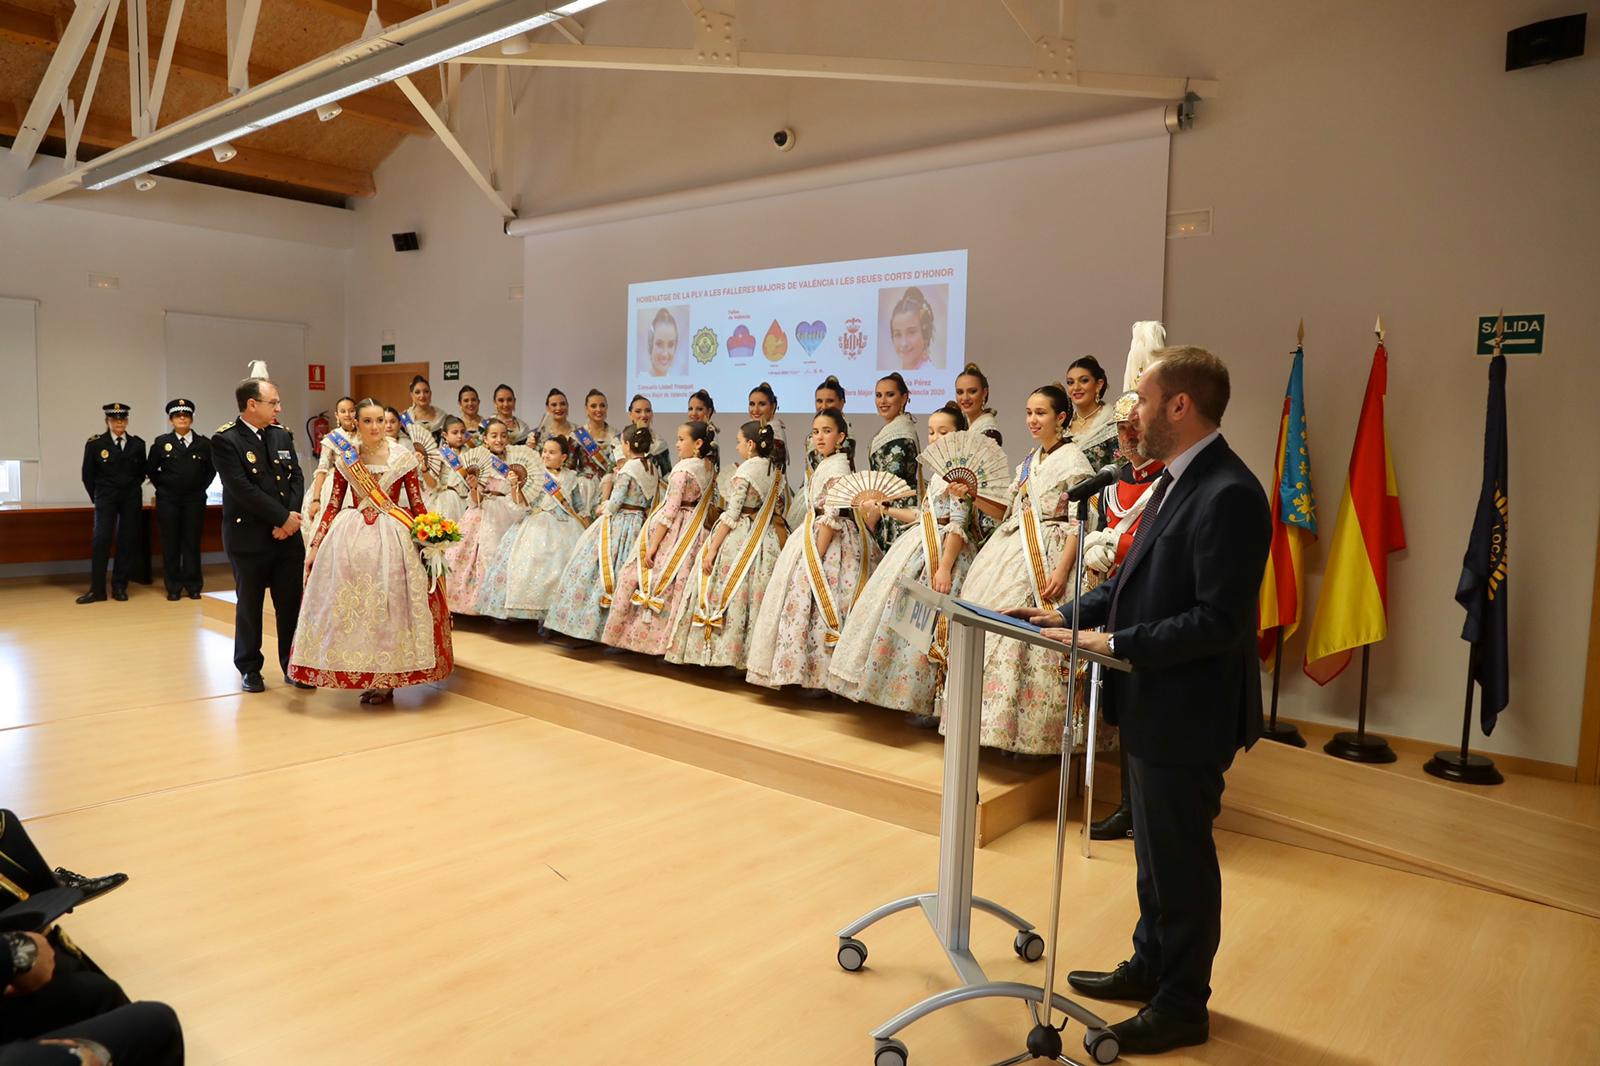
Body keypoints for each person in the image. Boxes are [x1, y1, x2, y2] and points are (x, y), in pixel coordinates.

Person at [1015, 347, 1269, 1056]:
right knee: (1155, 854)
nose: (1135, 414)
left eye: (1145, 401)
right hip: (1155, 699)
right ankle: (1151, 965)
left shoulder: (1230, 493)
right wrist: (1068, 615)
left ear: (1180, 406)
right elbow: (1134, 580)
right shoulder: (1175, 480)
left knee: (1181, 860)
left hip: (1191, 711)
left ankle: (1184, 1004)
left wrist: (1114, 639)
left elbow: (1217, 622)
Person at [953, 385, 1093, 756]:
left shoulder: (1075, 462)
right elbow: (1008, 512)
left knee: (1029, 641)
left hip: (1050, 556)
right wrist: (972, 496)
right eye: (1029, 412)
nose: (1032, 420)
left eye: (1041, 413)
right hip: (1011, 549)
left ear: (1061, 418)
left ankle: (1033, 733)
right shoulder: (1030, 461)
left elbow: (1082, 521)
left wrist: (1063, 571)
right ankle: (994, 728)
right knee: (997, 631)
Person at [287, 399, 454, 703]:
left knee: (389, 609)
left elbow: (417, 503)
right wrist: (316, 545)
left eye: (380, 420)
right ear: (357, 423)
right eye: (368, 421)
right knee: (358, 611)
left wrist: (431, 539)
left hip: (393, 539)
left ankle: (387, 680)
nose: (375, 427)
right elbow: (333, 505)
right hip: (349, 540)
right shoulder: (346, 458)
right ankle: (363, 669)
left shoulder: (402, 458)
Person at [829, 402, 973, 725]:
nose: (935, 438)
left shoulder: (957, 480)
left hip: (943, 556)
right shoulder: (939, 477)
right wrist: (888, 509)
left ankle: (931, 700)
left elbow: (957, 525)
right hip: (920, 546)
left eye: (944, 432)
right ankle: (908, 696)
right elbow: (923, 516)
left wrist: (944, 567)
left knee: (930, 626)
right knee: (907, 622)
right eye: (932, 432)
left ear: (959, 435)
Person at [1081, 390, 1166, 842]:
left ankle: (1148, 811)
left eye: (1135, 426)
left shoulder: (1168, 484)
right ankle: (1129, 807)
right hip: (1111, 603)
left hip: (1152, 610)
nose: (1129, 436)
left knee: (1149, 710)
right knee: (1125, 711)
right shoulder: (1112, 484)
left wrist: (1118, 548)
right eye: (1121, 428)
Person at [747, 409, 878, 694]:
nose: (819, 437)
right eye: (816, 431)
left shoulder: (838, 468)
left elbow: (831, 514)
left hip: (829, 540)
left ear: (841, 436)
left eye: (827, 431)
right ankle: (809, 672)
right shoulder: (827, 464)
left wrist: (816, 556)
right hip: (815, 530)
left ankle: (822, 676)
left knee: (822, 601)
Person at [212, 378, 307, 693]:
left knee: (290, 605)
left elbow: (296, 477)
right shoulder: (226, 440)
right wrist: (281, 517)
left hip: (287, 538)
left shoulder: (281, 435)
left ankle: (293, 665)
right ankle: (250, 668)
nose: (279, 408)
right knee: (250, 606)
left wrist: (290, 520)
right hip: (249, 537)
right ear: (252, 404)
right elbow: (241, 488)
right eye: (273, 402)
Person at [665, 421, 785, 671]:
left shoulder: (745, 472)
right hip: (767, 536)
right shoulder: (774, 470)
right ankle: (751, 657)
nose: (738, 447)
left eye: (740, 442)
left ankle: (723, 654)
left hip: (741, 538)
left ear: (751, 445)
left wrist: (712, 548)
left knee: (732, 590)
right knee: (755, 595)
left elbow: (731, 514)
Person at [600, 422, 715, 655]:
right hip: (698, 529)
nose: (677, 443)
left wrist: (652, 545)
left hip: (677, 533)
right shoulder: (708, 466)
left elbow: (670, 510)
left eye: (682, 439)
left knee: (644, 575)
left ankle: (644, 641)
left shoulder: (682, 471)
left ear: (698, 444)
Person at [546, 426, 660, 642]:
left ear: (627, 445)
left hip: (619, 524)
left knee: (594, 568)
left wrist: (602, 508)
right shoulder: (652, 468)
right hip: (639, 524)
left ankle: (585, 628)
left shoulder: (628, 469)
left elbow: (615, 503)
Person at [478, 436, 586, 624]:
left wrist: (586, 525)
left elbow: (577, 505)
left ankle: (558, 615)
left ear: (564, 457)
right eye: (544, 451)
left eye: (552, 452)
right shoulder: (536, 474)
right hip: (537, 524)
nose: (546, 455)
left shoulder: (571, 477)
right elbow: (521, 503)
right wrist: (514, 486)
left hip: (567, 526)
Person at [443, 419, 525, 616]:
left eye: (503, 435)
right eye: (494, 436)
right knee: (470, 555)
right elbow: (476, 499)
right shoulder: (482, 460)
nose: (499, 439)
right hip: (483, 512)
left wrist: (515, 485)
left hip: (507, 510)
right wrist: (473, 486)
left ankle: (497, 606)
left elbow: (518, 499)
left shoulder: (514, 460)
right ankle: (472, 604)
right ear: (485, 439)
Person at [76, 403, 146, 604]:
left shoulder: (137, 444)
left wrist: (129, 489)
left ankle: (120, 587)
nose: (119, 423)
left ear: (127, 421)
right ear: (107, 421)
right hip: (106, 498)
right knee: (101, 541)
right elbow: (87, 475)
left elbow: (141, 473)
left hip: (131, 498)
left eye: (123, 419)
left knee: (127, 541)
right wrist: (98, 496)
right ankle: (97, 590)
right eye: (115, 420)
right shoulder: (96, 444)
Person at [145, 399, 213, 601]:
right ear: (171, 420)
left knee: (192, 543)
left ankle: (193, 585)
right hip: (169, 500)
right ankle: (173, 586)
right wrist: (165, 487)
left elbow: (211, 470)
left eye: (185, 415)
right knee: (170, 543)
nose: (182, 418)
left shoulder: (204, 443)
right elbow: (150, 470)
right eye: (177, 415)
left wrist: (199, 487)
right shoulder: (161, 442)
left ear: (191, 419)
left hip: (194, 499)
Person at [864, 373, 920, 551]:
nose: (882, 401)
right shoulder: (891, 430)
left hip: (897, 516)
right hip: (884, 511)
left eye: (890, 394)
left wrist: (872, 517)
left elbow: (889, 482)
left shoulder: (901, 434)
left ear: (904, 397)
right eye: (878, 395)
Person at [1065, 355, 1118, 469]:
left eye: (1084, 381)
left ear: (1099, 384)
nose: (1076, 387)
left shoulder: (1113, 423)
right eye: (1070, 382)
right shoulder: (1063, 427)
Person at [569, 389, 615, 518]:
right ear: (586, 409)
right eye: (593, 406)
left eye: (602, 405)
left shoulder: (616, 436)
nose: (598, 409)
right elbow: (569, 467)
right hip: (585, 490)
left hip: (609, 489)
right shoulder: (577, 436)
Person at [421, 416, 471, 524]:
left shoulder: (471, 454)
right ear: (445, 435)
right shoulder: (440, 454)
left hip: (467, 501)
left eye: (462, 432)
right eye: (455, 432)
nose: (459, 436)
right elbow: (432, 484)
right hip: (446, 500)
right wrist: (424, 470)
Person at [614, 394, 672, 479]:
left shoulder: (660, 443)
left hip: (651, 489)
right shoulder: (618, 441)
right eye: (638, 411)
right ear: (630, 414)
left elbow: (667, 474)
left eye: (648, 410)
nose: (644, 415)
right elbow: (610, 471)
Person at [884, 286, 938, 371]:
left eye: (911, 332)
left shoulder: (930, 373)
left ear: (925, 334)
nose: (904, 343)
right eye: (898, 334)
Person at [531, 388, 573, 453]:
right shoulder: (537, 435)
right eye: (554, 405)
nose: (559, 408)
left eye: (562, 404)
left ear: (567, 406)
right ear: (547, 408)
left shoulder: (579, 433)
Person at [643, 308, 681, 377]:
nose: (665, 354)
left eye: (670, 345)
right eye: (659, 344)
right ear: (650, 345)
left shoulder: (675, 381)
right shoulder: (641, 379)